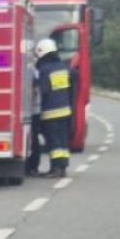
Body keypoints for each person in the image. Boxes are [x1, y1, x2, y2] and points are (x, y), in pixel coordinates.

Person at [34, 38, 74, 178]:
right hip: (65, 111)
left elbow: (43, 90)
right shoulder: (64, 67)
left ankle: (55, 169)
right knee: (63, 142)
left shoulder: (44, 69)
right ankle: (63, 167)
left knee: (53, 142)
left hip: (51, 112)